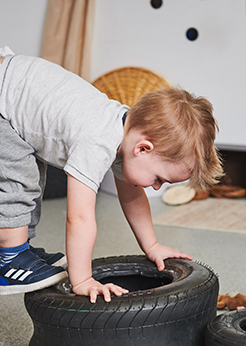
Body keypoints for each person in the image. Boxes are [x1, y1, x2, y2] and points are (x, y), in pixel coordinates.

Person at [0, 47, 223, 303]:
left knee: (34, 180)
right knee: (20, 183)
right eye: (159, 179)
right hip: (3, 101)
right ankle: (9, 256)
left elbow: (132, 198)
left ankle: (19, 247)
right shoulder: (96, 140)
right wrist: (82, 279)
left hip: (14, 95)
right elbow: (79, 217)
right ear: (143, 148)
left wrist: (152, 246)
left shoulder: (126, 130)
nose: (157, 188)